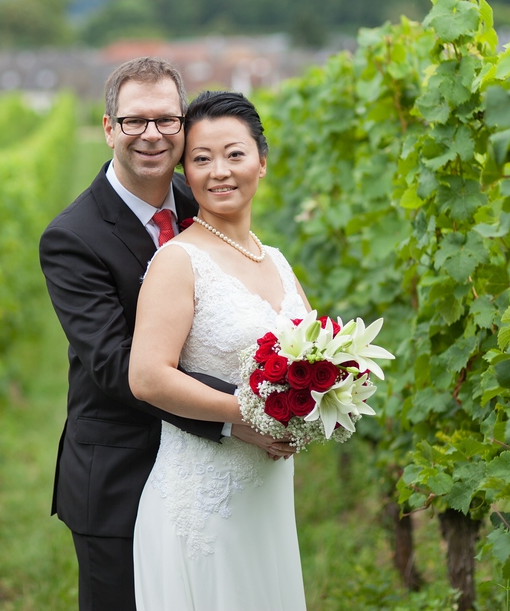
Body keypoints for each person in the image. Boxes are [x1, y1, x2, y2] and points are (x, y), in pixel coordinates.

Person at [38, 58, 293, 611]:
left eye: (166, 120)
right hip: (120, 474)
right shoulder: (71, 237)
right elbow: (116, 367)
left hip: (218, 481)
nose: (151, 135)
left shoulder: (203, 195)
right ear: (109, 128)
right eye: (134, 121)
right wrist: (240, 417)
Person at [129, 90, 311, 610]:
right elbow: (147, 376)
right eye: (201, 159)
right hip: (204, 495)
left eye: (234, 154)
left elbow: (315, 360)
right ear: (185, 172)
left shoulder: (276, 260)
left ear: (262, 160)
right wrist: (253, 415)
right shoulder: (177, 260)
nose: (219, 172)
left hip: (268, 493)